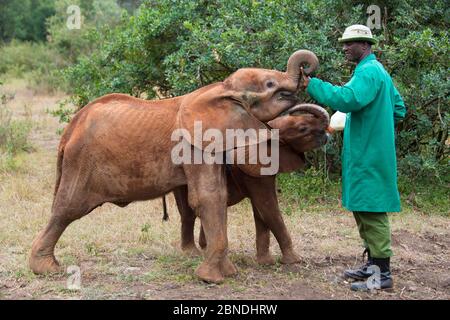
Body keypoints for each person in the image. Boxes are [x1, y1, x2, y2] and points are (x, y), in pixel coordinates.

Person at [301, 24, 406, 291]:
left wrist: (312, 85)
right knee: (363, 206)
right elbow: (398, 109)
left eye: (350, 43)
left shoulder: (369, 72)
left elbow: (347, 99)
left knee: (372, 209)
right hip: (370, 151)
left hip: (368, 154)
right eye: (344, 43)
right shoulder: (376, 71)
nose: (345, 48)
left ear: (365, 45)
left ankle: (382, 274)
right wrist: (375, 125)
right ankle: (372, 265)